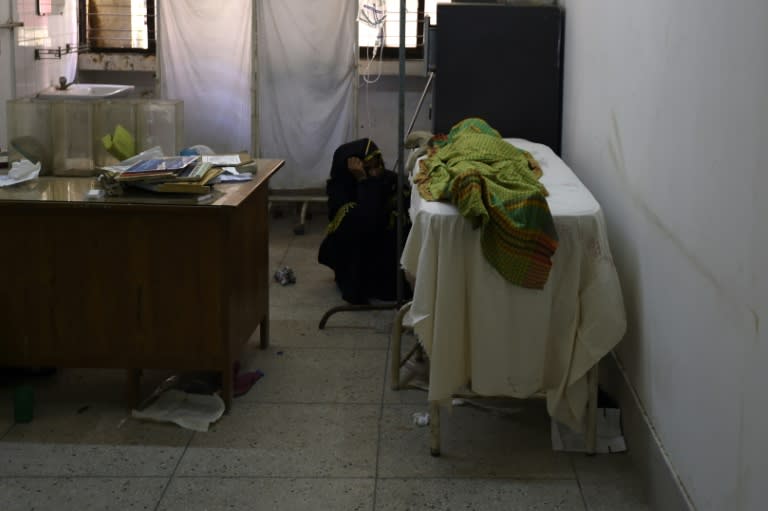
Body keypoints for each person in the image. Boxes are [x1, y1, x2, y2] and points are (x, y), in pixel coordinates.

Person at [318, 138, 410, 304]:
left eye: (378, 165)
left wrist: (369, 182)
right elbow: (367, 221)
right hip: (358, 255)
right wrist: (364, 182)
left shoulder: (390, 181)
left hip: (385, 258)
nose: (375, 173)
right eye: (368, 169)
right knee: (356, 221)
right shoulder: (340, 192)